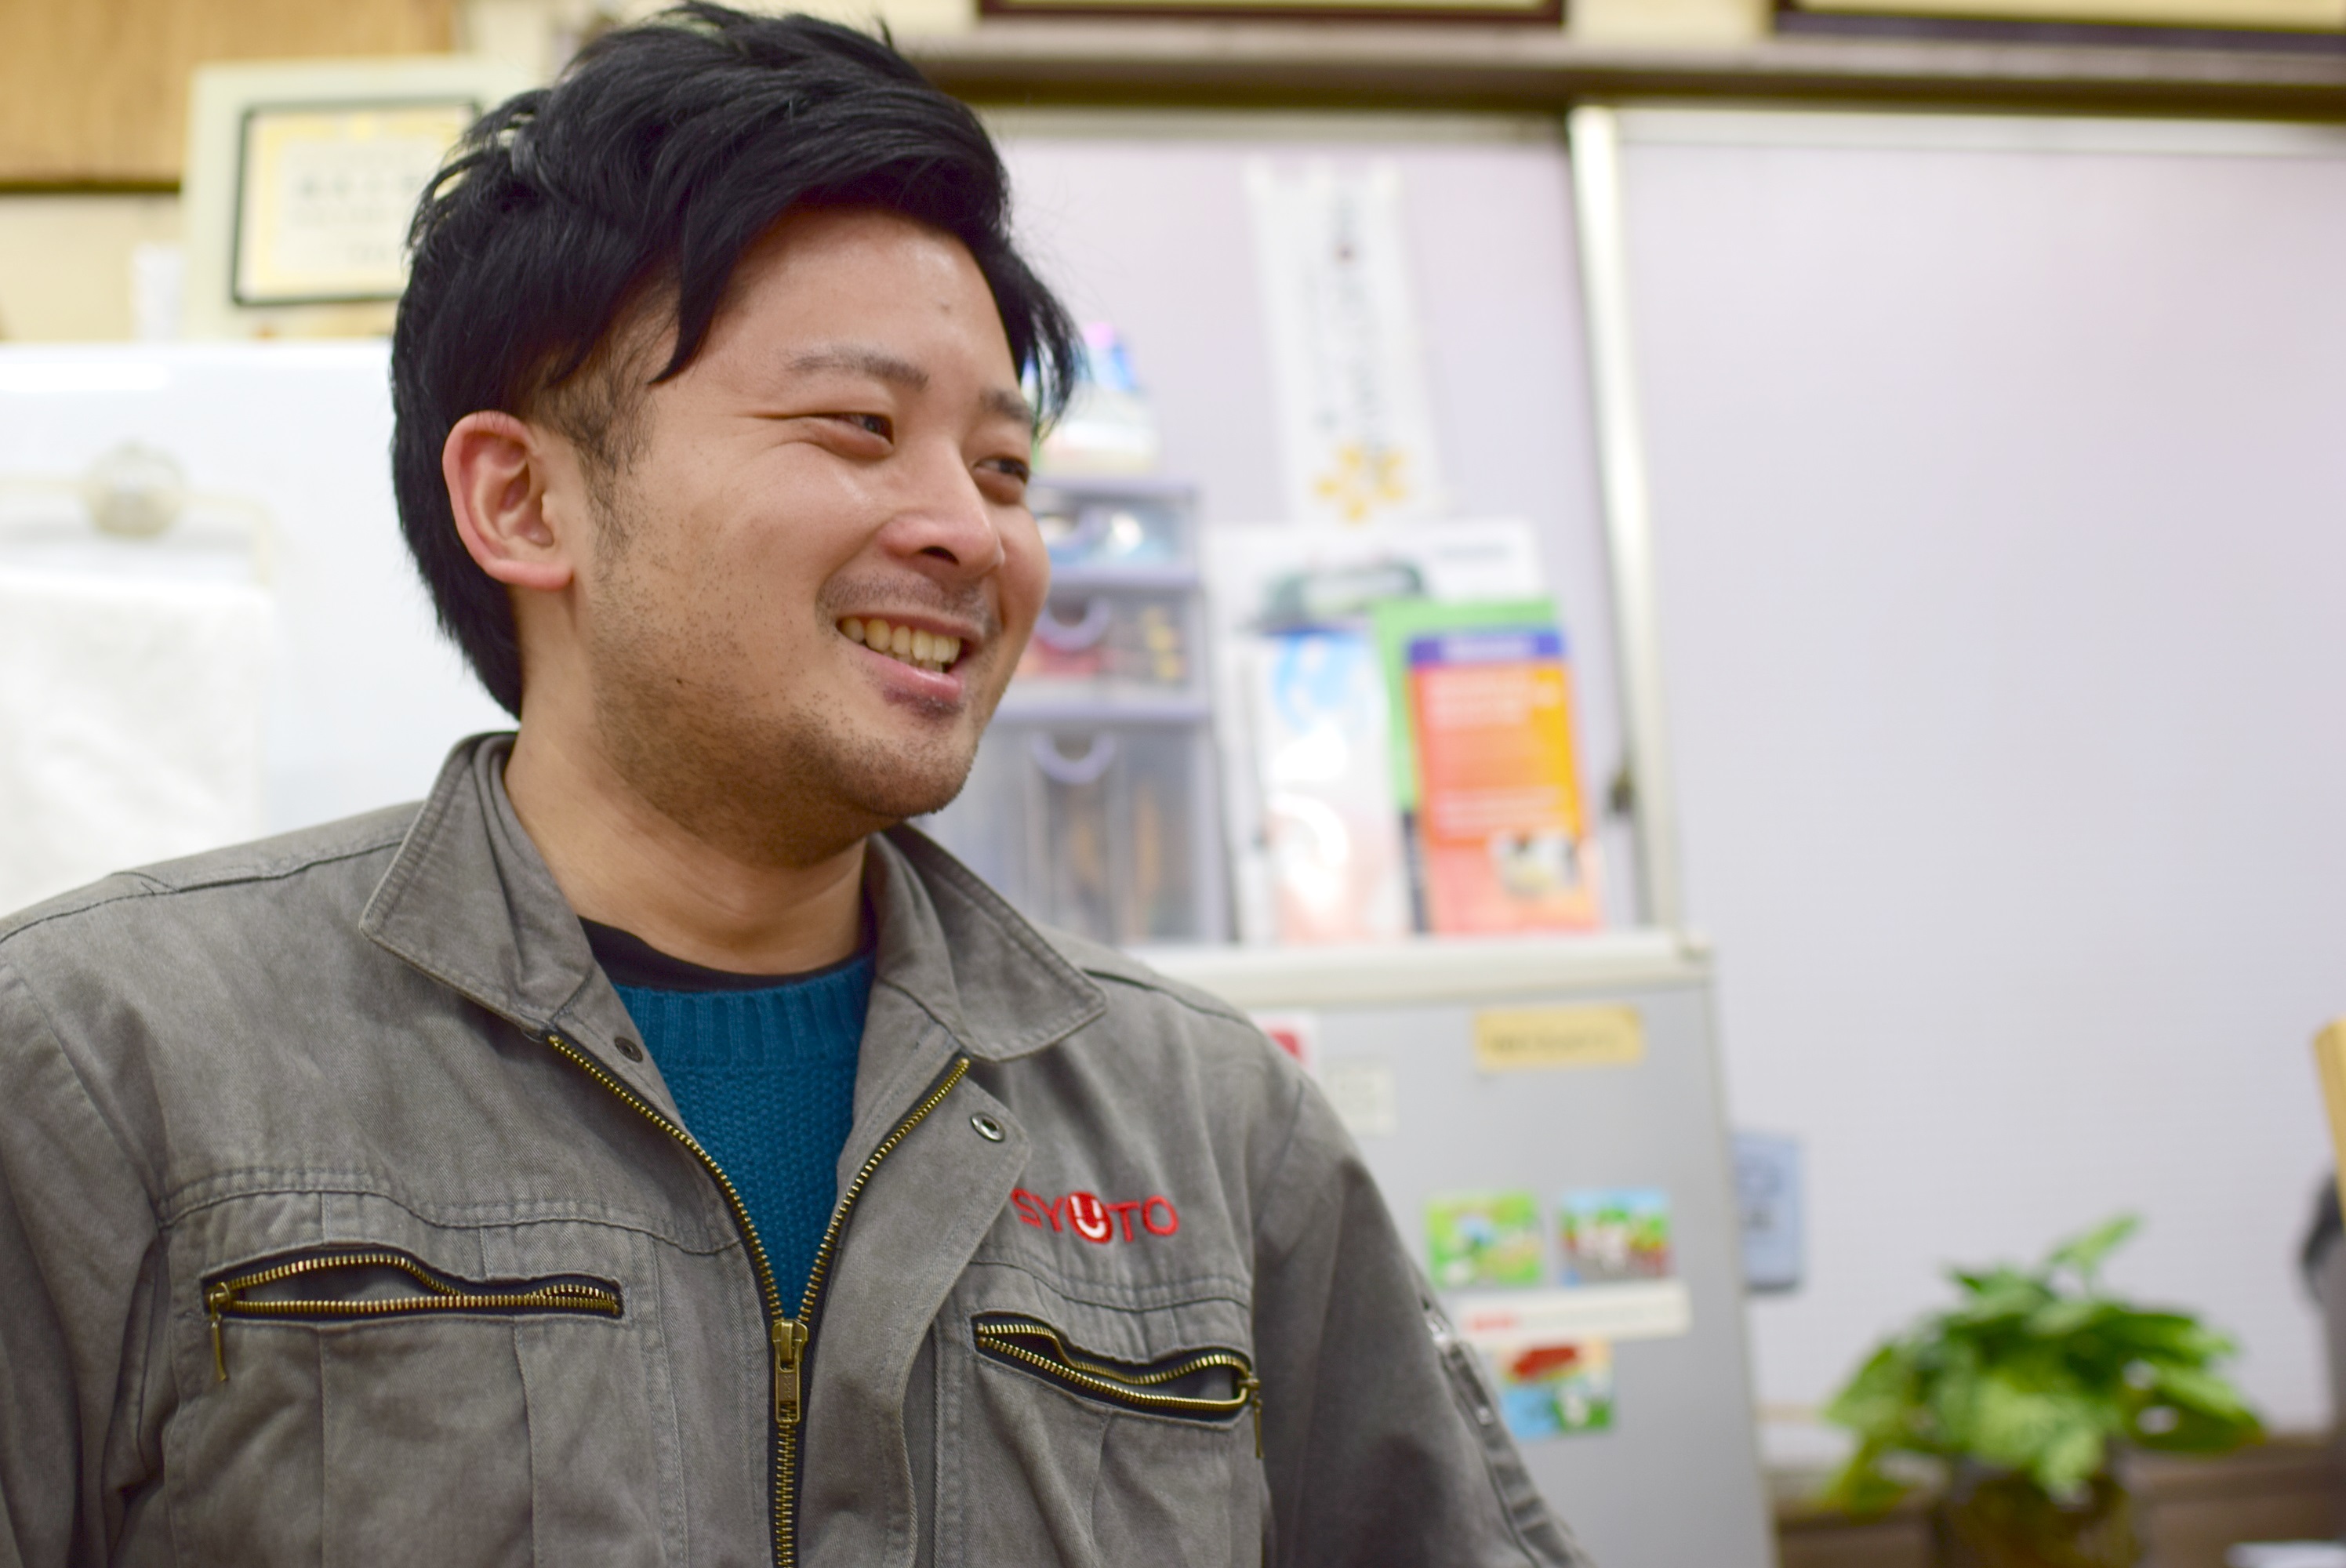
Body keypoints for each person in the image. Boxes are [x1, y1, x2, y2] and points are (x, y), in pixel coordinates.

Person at [0, 8, 1585, 1565]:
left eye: (1003, 467)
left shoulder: (1213, 1124)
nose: (969, 532)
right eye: (857, 428)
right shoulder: (107, 1065)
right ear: (523, 500)